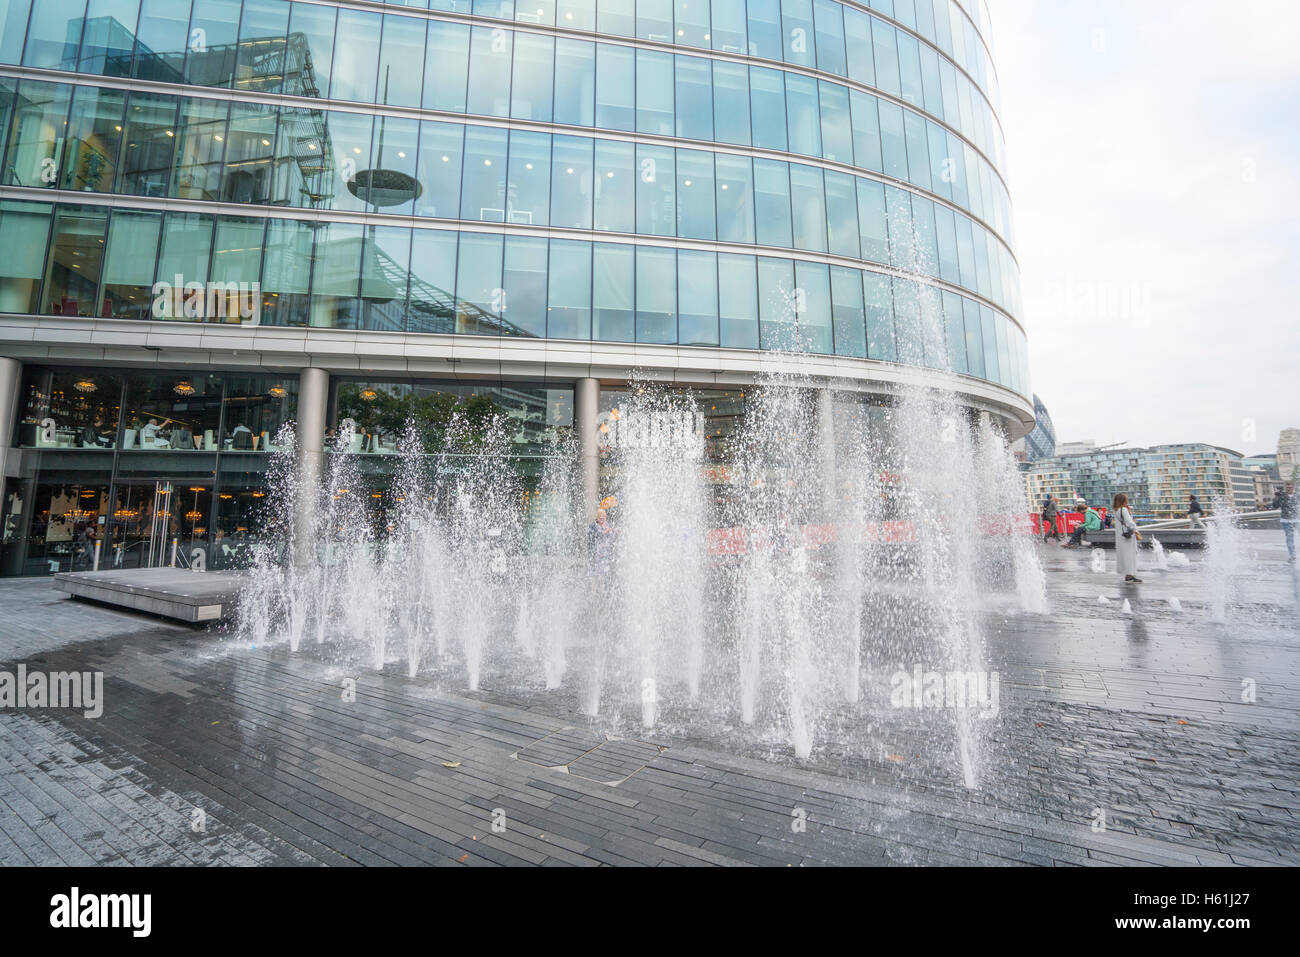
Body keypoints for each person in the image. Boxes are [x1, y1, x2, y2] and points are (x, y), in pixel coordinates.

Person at [1113, 492, 1142, 583]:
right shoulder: (1124, 510)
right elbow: (1129, 522)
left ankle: (1128, 574)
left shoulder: (1116, 510)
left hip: (1121, 536)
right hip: (1128, 536)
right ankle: (1130, 575)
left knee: (1124, 555)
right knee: (1130, 555)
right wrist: (1135, 529)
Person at [1274, 482, 1297, 563]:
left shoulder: (1298, 496)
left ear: (1294, 487)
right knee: (1289, 539)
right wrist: (1276, 497)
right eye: (1287, 487)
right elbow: (1275, 506)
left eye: (1290, 487)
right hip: (1286, 520)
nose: (1289, 489)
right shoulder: (1282, 496)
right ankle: (1292, 556)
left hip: (1297, 519)